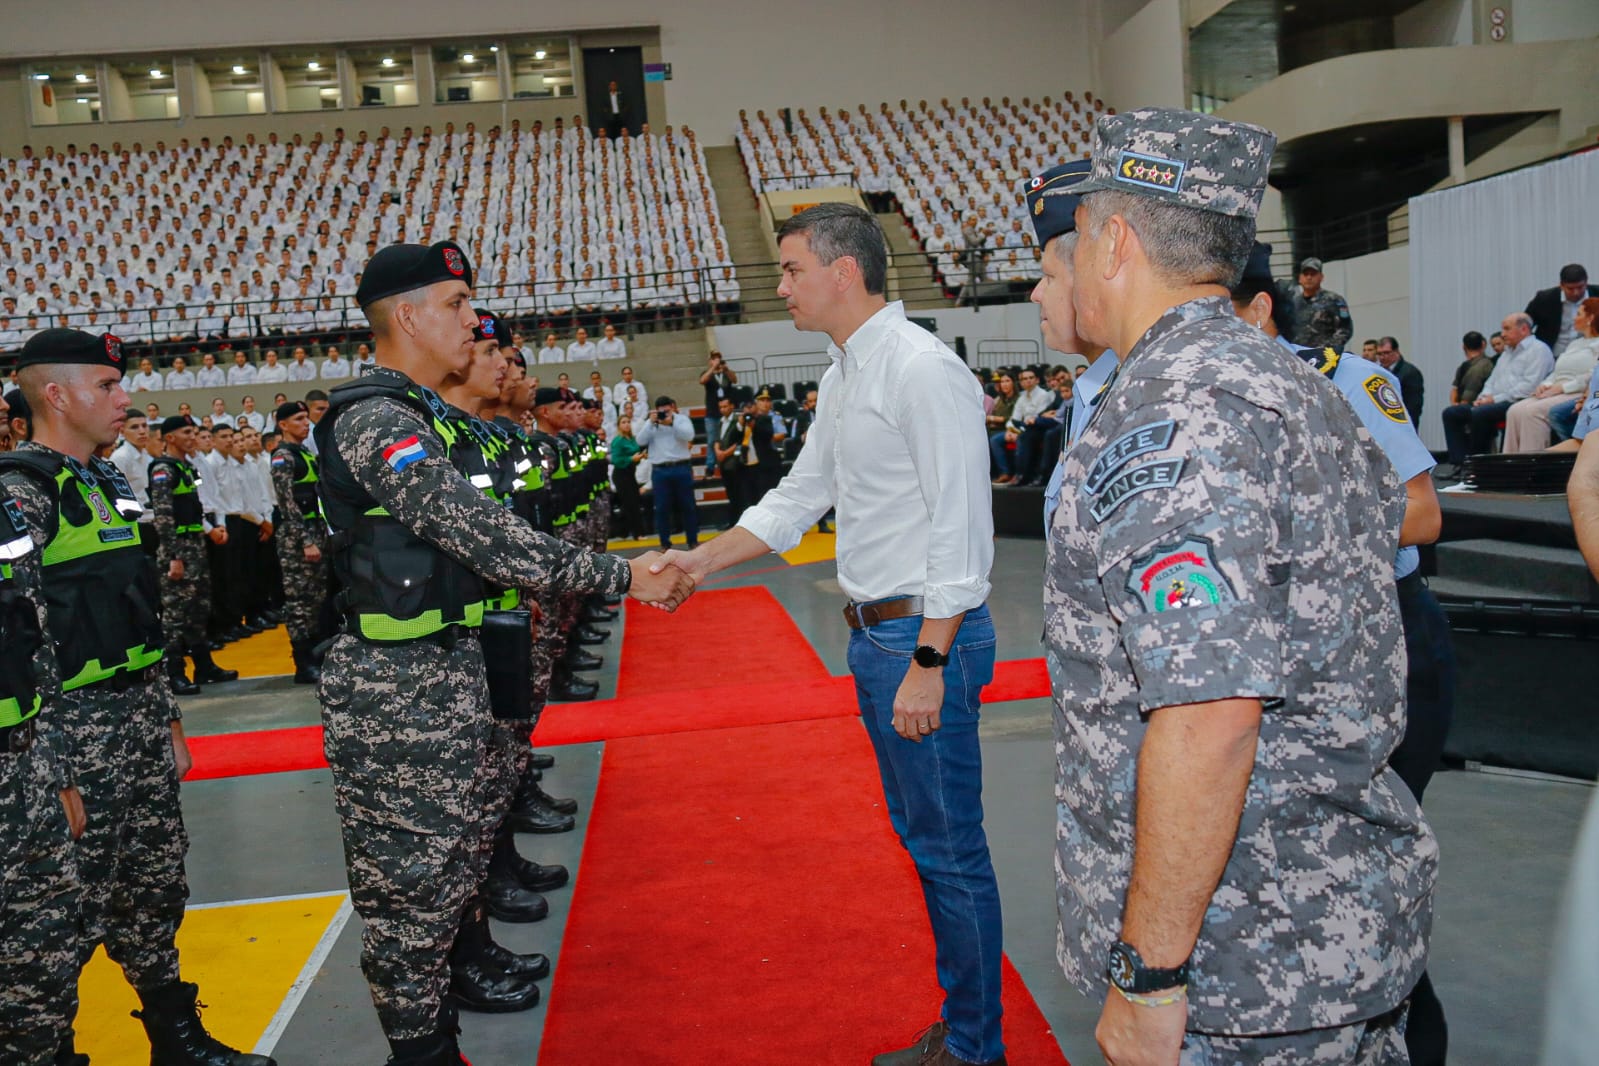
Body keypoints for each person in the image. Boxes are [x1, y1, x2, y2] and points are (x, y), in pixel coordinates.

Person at [1046, 108, 1435, 1064]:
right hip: (1317, 921)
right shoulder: (1282, 379)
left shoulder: (1181, 416)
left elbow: (1209, 712)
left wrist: (1150, 973)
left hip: (1248, 960)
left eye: (1073, 238)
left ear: (1113, 242)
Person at [313, 241, 691, 1065]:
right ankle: (422, 1051)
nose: (469, 320)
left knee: (459, 863)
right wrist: (622, 574)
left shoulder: (430, 418)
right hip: (399, 689)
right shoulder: (378, 421)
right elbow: (483, 533)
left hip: (460, 664)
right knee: (412, 892)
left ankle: (448, 1012)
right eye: (455, 304)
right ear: (407, 315)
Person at [652, 203, 1003, 1066]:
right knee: (927, 840)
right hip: (882, 639)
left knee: (949, 849)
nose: (781, 288)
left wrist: (928, 658)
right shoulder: (850, 371)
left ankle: (975, 1049)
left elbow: (963, 532)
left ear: (843, 272)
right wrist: (698, 564)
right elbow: (797, 498)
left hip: (919, 638)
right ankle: (967, 1032)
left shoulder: (919, 369)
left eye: (791, 270)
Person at [0, 330, 271, 1066]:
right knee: (52, 922)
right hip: (67, 737)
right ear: (55, 395)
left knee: (151, 887)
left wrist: (168, 720)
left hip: (137, 722)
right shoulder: (22, 494)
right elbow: (23, 646)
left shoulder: (106, 483)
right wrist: (52, 770)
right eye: (107, 386)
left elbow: (136, 614)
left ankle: (173, 1038)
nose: (126, 399)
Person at [1231, 242, 1453, 1064]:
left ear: (1256, 310)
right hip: (1284, 652)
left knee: (1367, 864)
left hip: (1382, 636)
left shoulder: (1347, 380)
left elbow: (1422, 517)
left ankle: (1409, 1039)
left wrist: (1280, 541)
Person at [0, 428, 83, 1066]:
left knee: (42, 941)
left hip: (22, 757)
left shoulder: (7, 500)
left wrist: (54, 763)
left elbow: (33, 635)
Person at [149, 415, 239, 695]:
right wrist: (173, 555)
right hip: (178, 549)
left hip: (195, 545)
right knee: (175, 614)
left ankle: (204, 665)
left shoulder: (187, 467)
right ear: (170, 437)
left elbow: (197, 506)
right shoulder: (163, 469)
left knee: (198, 609)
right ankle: (174, 672)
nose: (193, 436)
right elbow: (163, 516)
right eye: (186, 432)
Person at [1440, 311, 1555, 470]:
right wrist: (1483, 397)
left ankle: (1478, 465)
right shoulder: (1507, 353)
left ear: (1524, 329)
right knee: (1452, 413)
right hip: (1494, 401)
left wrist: (1493, 400)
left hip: (1520, 402)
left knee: (1480, 413)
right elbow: (1492, 381)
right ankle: (1460, 463)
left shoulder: (1538, 350)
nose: (1503, 334)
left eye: (1507, 329)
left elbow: (1529, 386)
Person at [268, 401, 329, 683]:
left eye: (307, 418)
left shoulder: (303, 452)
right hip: (296, 539)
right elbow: (287, 503)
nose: (306, 423)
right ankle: (303, 663)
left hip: (315, 531)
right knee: (300, 602)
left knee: (315, 598)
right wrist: (305, 540)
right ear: (282, 424)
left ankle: (316, 655)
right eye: (299, 419)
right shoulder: (283, 456)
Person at [1504, 297, 1599, 452]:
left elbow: (1593, 375)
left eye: (1579, 314)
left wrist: (1563, 387)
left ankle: (1532, 465)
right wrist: (1546, 384)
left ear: (1591, 318)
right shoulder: (1575, 344)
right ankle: (1509, 464)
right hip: (1555, 389)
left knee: (1533, 412)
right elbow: (1557, 370)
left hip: (1575, 391)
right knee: (1515, 410)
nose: (1574, 318)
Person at [635, 394, 699, 550]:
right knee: (662, 507)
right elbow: (640, 441)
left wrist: (672, 423)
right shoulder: (651, 423)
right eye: (661, 411)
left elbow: (689, 435)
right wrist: (651, 423)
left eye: (667, 410)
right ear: (656, 410)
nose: (664, 413)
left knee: (688, 505)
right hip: (660, 470)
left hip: (681, 467)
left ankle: (692, 540)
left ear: (672, 407)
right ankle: (665, 542)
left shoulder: (681, 420)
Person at [1525, 263, 1599, 354]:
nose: (1576, 293)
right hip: (1552, 354)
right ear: (1561, 285)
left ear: (1586, 282)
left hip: (1591, 353)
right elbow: (1525, 324)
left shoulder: (1597, 296)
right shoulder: (1544, 299)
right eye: (1570, 289)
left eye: (1580, 287)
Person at [1289, 256, 1352, 352]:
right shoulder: (1292, 303)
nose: (1309, 277)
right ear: (1300, 278)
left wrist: (1326, 349)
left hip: (1324, 358)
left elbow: (1345, 330)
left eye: (1313, 274)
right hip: (1297, 357)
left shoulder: (1334, 300)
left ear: (1321, 277)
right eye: (1306, 274)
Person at [699, 350, 738, 475]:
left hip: (727, 411)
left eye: (718, 358)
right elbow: (702, 381)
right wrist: (713, 368)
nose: (717, 361)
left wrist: (726, 369)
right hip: (712, 412)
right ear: (710, 361)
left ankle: (728, 460)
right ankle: (710, 465)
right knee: (712, 440)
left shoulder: (726, 374)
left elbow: (735, 380)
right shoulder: (708, 374)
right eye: (713, 359)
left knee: (730, 437)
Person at [609, 412, 646, 539]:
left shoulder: (632, 439)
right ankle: (637, 533)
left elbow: (635, 454)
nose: (627, 425)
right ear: (619, 426)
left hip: (631, 473)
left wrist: (640, 457)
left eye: (628, 422)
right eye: (623, 422)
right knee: (631, 503)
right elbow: (616, 460)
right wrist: (631, 459)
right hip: (621, 474)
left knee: (630, 502)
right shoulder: (617, 441)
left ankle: (622, 531)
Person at [1375, 336, 1425, 427]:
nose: (1382, 357)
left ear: (1396, 352)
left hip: (1403, 423)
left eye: (1386, 353)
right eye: (1379, 354)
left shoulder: (1410, 373)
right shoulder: (1378, 372)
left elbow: (1413, 407)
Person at [1450, 331, 1494, 406]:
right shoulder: (1489, 364)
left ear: (1463, 347)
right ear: (1483, 345)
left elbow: (1463, 396)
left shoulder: (1468, 367)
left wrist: (1456, 406)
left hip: (1474, 409)